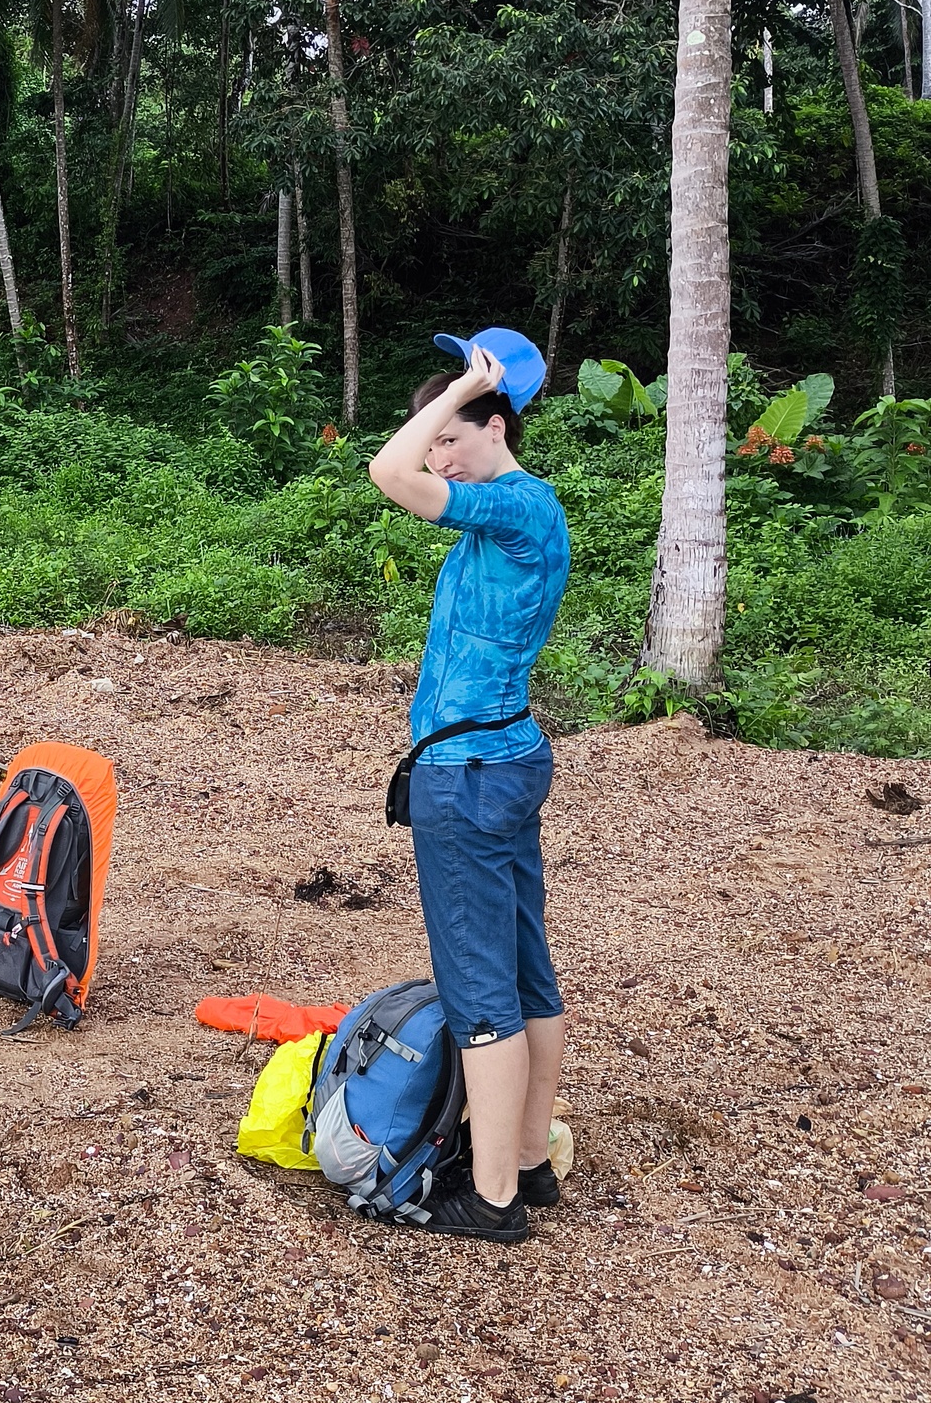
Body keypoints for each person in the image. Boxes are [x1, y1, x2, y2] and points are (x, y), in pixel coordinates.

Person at [366, 336, 570, 1245]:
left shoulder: (517, 509)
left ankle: (489, 1200)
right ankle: (527, 1159)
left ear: (494, 426)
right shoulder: (509, 513)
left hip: (471, 775)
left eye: (451, 436)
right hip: (499, 760)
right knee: (525, 973)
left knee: (480, 983)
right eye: (435, 439)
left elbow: (388, 471)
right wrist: (458, 396)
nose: (436, 455)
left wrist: (459, 388)